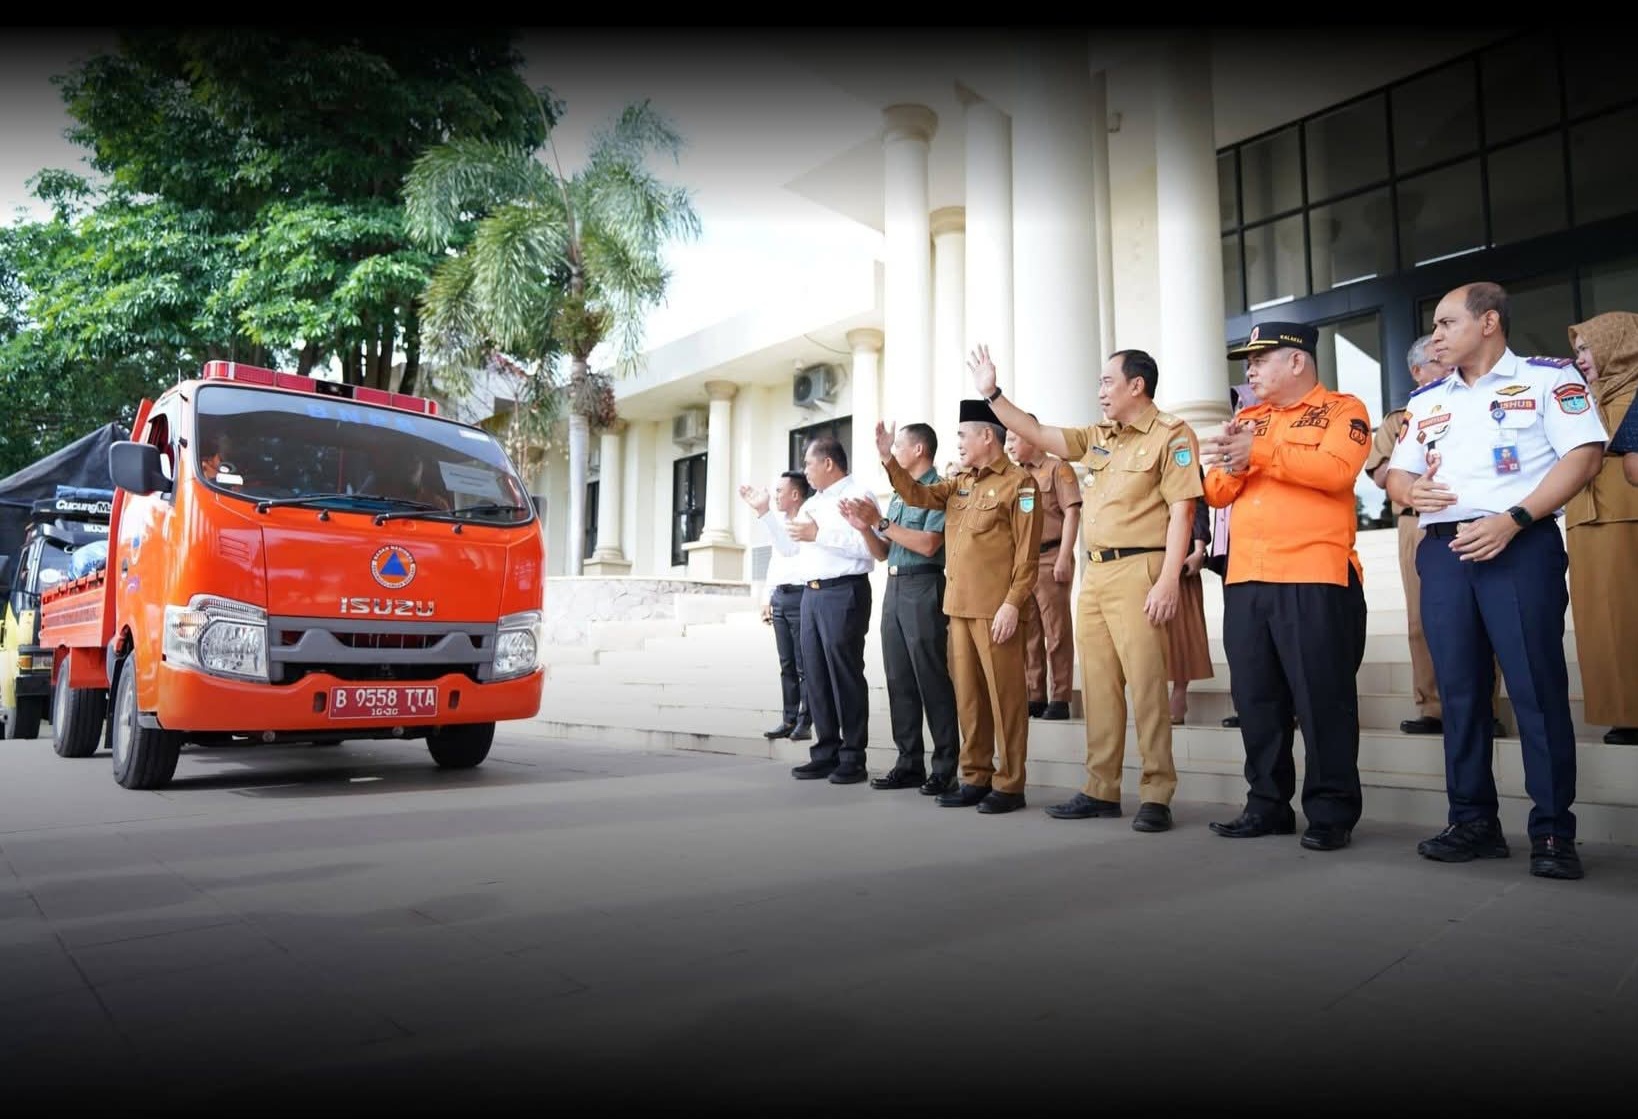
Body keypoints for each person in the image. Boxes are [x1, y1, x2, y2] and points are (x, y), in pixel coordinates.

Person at [1386, 282, 1606, 880]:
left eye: (1446, 323)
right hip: (1444, 551)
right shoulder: (1428, 399)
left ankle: (1553, 831)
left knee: (1536, 688)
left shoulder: (1546, 379)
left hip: (1519, 544)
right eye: (1435, 326)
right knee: (1459, 692)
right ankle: (1472, 821)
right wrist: (1412, 489)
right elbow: (1397, 476)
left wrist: (1516, 519)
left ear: (1488, 323)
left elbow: (1584, 455)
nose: (1435, 336)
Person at [976, 346, 1200, 833]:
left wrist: (1168, 580)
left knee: (1147, 687)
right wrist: (992, 394)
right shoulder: (1099, 437)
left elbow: (1184, 511)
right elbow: (1036, 432)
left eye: (1106, 382)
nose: (1100, 392)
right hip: (1096, 575)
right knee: (1098, 687)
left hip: (1141, 570)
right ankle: (1101, 789)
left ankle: (1156, 792)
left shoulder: (1172, 435)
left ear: (1136, 385)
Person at [1200, 321, 1370, 852]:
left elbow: (1336, 471)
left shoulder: (1343, 410)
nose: (1250, 371)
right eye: (1248, 362)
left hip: (1314, 575)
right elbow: (1216, 492)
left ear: (1297, 360)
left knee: (1323, 701)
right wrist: (1233, 460)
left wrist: (1260, 452)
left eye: (1260, 359)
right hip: (1247, 577)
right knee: (1257, 700)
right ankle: (1267, 805)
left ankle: (1331, 811)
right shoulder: (1248, 418)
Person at [878, 396, 1040, 815]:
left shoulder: (1020, 484)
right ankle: (975, 776)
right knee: (968, 699)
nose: (959, 443)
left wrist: (1012, 603)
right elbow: (917, 495)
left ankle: (1010, 783)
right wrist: (889, 460)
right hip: (958, 607)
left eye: (963, 435)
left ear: (987, 436)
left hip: (996, 610)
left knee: (1005, 700)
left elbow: (1027, 556)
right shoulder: (959, 483)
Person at [1366, 336, 1505, 739]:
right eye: (1436, 361)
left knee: (1484, 615)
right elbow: (1380, 476)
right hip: (1419, 522)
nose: (1447, 366)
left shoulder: (1477, 402)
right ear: (1416, 371)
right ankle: (1432, 707)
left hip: (1477, 516)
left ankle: (1485, 708)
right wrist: (1412, 451)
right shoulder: (1400, 418)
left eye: (1448, 359)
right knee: (1421, 620)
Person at [833, 424, 960, 795]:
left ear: (918, 449)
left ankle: (945, 767)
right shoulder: (899, 496)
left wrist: (881, 522)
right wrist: (865, 528)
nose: (891, 453)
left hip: (924, 585)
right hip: (895, 585)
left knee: (931, 678)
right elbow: (883, 552)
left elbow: (929, 544)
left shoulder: (937, 490)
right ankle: (909, 763)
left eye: (897, 446)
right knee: (899, 678)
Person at [777, 436, 880, 784]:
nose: (805, 471)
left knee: (844, 675)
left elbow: (867, 548)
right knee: (817, 676)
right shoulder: (812, 503)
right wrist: (764, 513)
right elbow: (792, 549)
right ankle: (825, 752)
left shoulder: (858, 494)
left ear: (828, 463)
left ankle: (853, 757)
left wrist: (818, 534)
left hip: (843, 591)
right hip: (810, 594)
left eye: (808, 463)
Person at [1565, 313, 1638, 747]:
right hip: (1584, 517)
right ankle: (1622, 713)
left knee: (1628, 615)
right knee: (1599, 622)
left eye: (1587, 348)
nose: (1581, 359)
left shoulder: (1635, 389)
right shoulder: (1579, 397)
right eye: (1577, 351)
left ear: (1618, 343)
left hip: (1626, 514)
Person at [1004, 419, 1081, 721]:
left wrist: (1064, 557)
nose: (1008, 446)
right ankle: (1035, 694)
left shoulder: (1057, 469)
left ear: (1030, 438)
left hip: (1051, 556)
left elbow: (1072, 513)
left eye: (1013, 439)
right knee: (1030, 632)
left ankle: (1060, 697)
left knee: (1056, 630)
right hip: (1025, 562)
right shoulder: (1016, 476)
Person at [739, 471, 813, 743]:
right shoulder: (779, 522)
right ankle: (789, 719)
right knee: (787, 664)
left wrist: (763, 512)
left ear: (795, 494)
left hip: (801, 595)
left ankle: (805, 721)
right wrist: (766, 597)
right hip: (781, 596)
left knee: (804, 665)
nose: (775, 495)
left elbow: (789, 548)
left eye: (780, 491)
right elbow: (775, 561)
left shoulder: (807, 519)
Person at [1166, 486, 1213, 726]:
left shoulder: (1184, 463)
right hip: (1144, 550)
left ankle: (1179, 693)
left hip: (1181, 552)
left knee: (1184, 624)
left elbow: (1197, 505)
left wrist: (1199, 550)